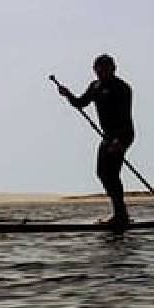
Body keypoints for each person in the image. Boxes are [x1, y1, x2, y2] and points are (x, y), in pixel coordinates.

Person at [56, 54, 135, 226]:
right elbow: (80, 103)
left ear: (113, 69)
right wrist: (68, 94)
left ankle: (121, 216)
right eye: (97, 70)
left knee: (111, 174)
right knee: (102, 173)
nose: (100, 73)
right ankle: (120, 213)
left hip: (123, 135)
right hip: (108, 136)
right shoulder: (95, 86)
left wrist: (118, 140)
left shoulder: (122, 88)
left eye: (104, 69)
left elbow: (124, 116)